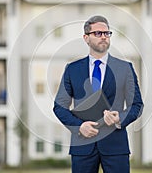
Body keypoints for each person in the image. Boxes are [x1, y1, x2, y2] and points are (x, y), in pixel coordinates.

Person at [53, 15, 143, 173]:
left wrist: (119, 119)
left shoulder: (125, 68)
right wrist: (79, 127)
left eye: (107, 33)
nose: (103, 37)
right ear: (86, 38)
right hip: (83, 146)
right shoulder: (72, 69)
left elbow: (137, 105)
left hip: (115, 146)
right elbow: (59, 107)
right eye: (98, 33)